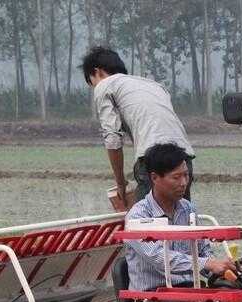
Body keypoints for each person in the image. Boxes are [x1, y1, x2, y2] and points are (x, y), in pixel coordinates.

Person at [123, 143, 239, 302]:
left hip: (188, 287)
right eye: (176, 177)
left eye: (186, 176)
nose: (184, 183)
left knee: (240, 295)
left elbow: (203, 249)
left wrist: (221, 267)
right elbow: (159, 258)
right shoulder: (138, 217)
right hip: (151, 299)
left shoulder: (188, 209)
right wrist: (207, 263)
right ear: (155, 178)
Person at [81, 46, 196, 209]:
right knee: (181, 221)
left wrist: (120, 182)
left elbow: (113, 139)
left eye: (92, 82)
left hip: (154, 159)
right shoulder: (155, 86)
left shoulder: (105, 85)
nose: (94, 87)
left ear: (97, 72)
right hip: (184, 160)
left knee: (144, 223)